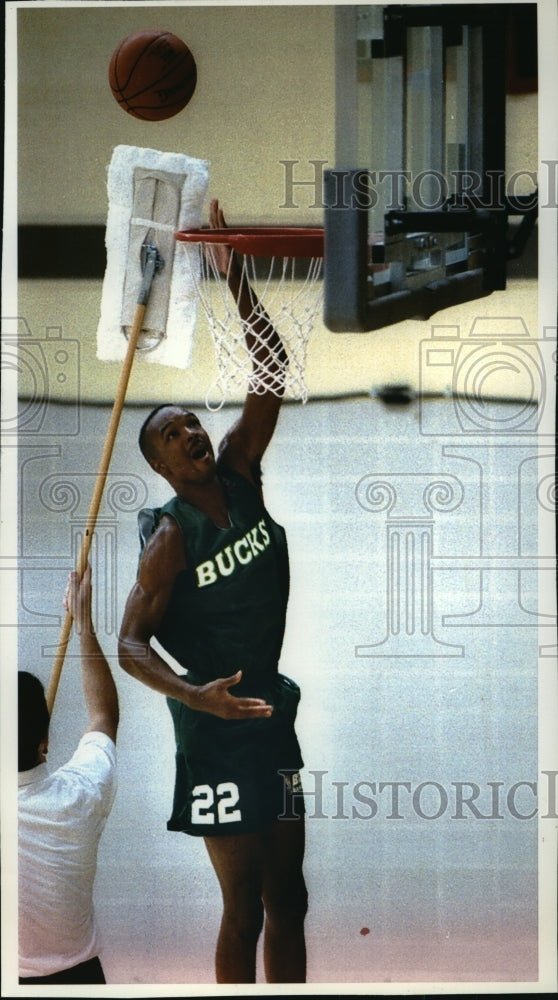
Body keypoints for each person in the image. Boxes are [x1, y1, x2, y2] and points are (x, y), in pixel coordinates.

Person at [118, 199, 308, 984]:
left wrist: (237, 277)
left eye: (193, 423)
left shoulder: (241, 469)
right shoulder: (168, 538)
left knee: (291, 895)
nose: (191, 434)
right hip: (214, 736)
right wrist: (197, 697)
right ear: (159, 466)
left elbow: (272, 368)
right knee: (246, 908)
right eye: (173, 434)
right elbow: (130, 644)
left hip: (275, 717)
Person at [18, 566, 119, 985]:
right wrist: (84, 627)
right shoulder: (81, 794)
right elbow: (104, 715)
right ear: (45, 739)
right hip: (81, 980)